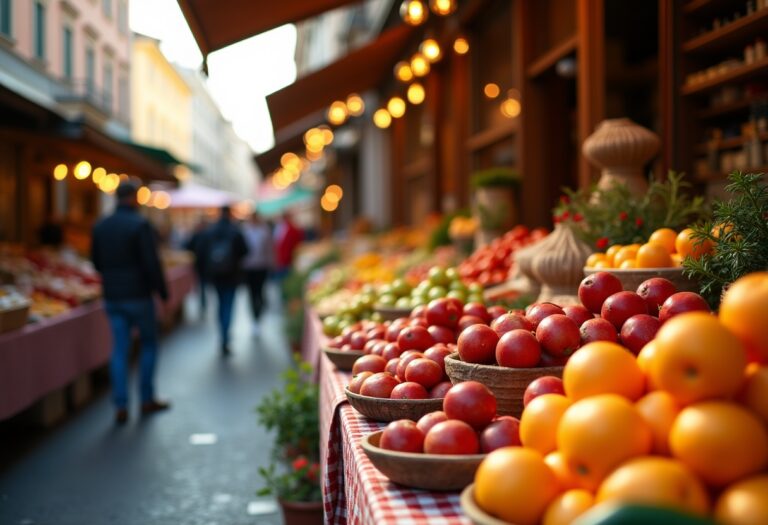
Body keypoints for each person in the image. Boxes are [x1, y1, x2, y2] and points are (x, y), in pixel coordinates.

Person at [91, 181, 170, 425]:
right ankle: (146, 399)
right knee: (148, 344)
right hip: (138, 296)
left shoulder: (101, 226)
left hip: (113, 296)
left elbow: (96, 263)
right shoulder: (140, 225)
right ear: (135, 198)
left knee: (119, 349)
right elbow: (151, 264)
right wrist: (162, 292)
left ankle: (121, 405)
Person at [199, 206, 247, 356]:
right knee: (228, 305)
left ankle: (223, 332)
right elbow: (245, 251)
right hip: (231, 275)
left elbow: (201, 252)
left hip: (216, 276)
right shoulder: (235, 231)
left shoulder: (210, 231)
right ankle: (225, 334)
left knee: (220, 305)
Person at [241, 212, 273, 336]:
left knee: (259, 292)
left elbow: (270, 249)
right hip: (248, 268)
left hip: (261, 266)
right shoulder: (245, 230)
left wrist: (272, 263)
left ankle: (258, 314)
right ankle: (254, 318)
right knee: (251, 293)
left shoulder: (264, 231)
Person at [184, 218, 210, 316]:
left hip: (201, 264)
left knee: (202, 284)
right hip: (202, 264)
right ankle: (203, 302)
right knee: (202, 284)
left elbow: (188, 246)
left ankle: (203, 302)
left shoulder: (199, 235)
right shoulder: (202, 235)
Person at [273, 211, 304, 283]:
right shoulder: (281, 228)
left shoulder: (291, 228)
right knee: (282, 281)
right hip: (282, 260)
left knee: (285, 281)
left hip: (288, 260)